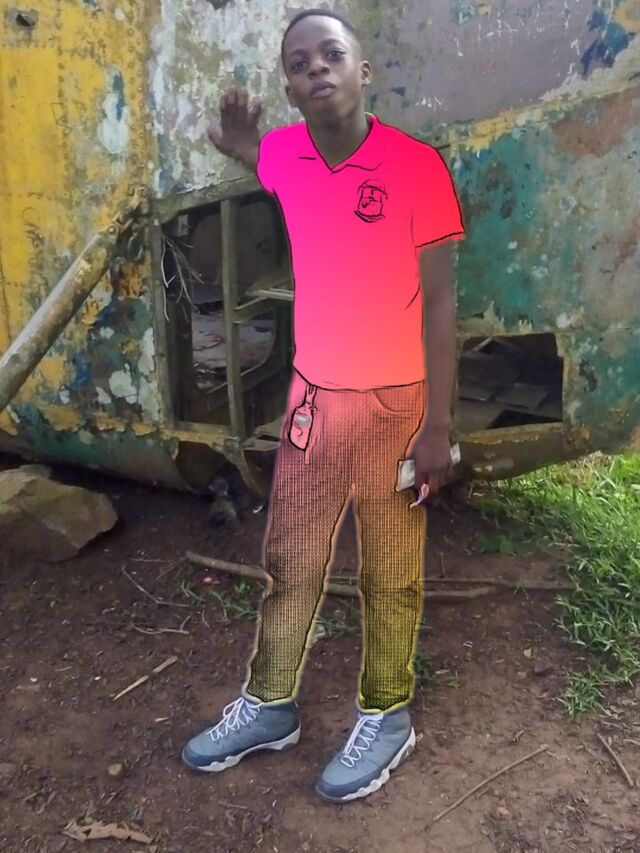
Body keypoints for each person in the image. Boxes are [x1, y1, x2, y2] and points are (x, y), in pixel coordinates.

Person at [182, 8, 466, 803]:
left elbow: (442, 303)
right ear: (290, 88)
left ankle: (387, 712)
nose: (317, 69)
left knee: (390, 568)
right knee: (293, 560)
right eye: (300, 63)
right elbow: (263, 159)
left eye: (331, 54)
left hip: (396, 405)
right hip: (314, 400)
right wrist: (240, 144)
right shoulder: (286, 154)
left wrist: (438, 424)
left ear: (362, 71)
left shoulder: (416, 168)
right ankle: (271, 702)